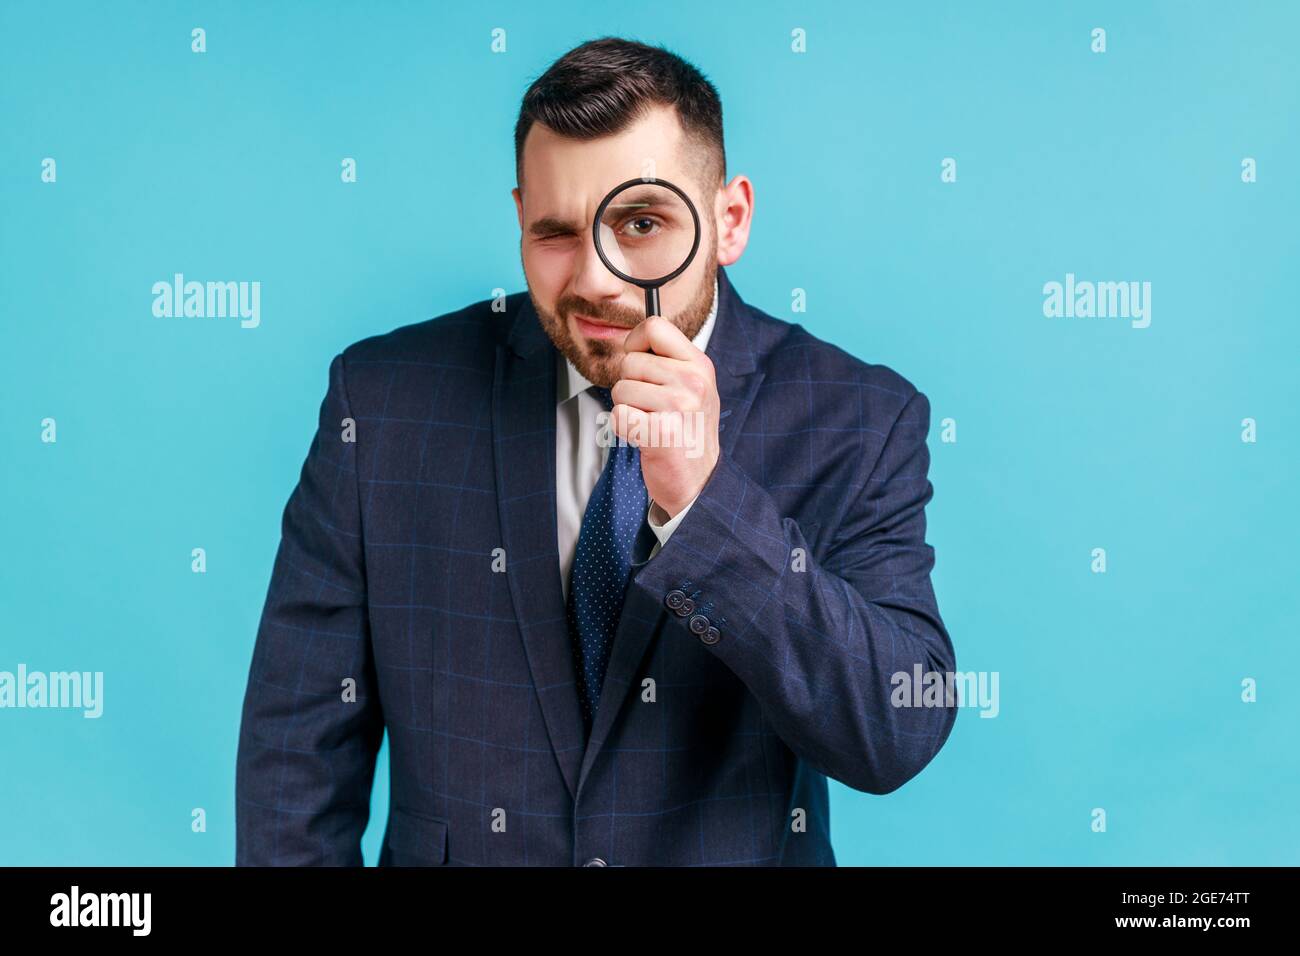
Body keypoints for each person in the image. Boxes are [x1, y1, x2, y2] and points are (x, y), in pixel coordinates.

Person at [236, 35, 957, 867]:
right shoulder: (382, 404)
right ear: (519, 219)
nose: (594, 279)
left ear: (728, 221)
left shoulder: (861, 419)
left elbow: (896, 730)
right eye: (556, 233)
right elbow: (294, 760)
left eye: (641, 224)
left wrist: (705, 505)